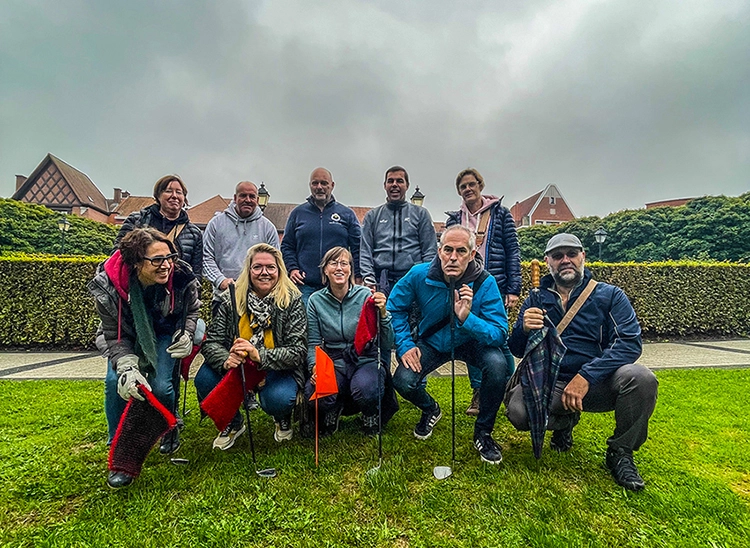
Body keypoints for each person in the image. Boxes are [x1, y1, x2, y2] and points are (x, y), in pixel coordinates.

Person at [506, 233, 658, 491]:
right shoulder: (536, 298)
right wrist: (523, 328)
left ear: (583, 256)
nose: (565, 260)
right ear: (547, 261)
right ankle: (566, 423)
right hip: (550, 384)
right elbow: (518, 349)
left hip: (598, 383)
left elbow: (629, 343)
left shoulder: (610, 295)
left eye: (571, 254)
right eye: (557, 255)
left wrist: (586, 376)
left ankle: (621, 452)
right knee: (519, 413)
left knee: (641, 378)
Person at [88, 227, 201, 488]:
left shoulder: (182, 274)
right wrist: (127, 366)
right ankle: (119, 450)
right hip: (126, 336)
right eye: (157, 260)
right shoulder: (110, 285)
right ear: (137, 262)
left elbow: (192, 309)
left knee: (161, 386)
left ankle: (168, 428)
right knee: (115, 381)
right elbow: (114, 335)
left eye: (169, 257)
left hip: (165, 333)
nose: (167, 265)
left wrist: (186, 333)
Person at [388, 225, 511, 464]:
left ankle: (483, 432)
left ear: (472, 254)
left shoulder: (486, 283)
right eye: (448, 250)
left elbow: (499, 333)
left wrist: (467, 318)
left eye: (461, 251)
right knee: (403, 380)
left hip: (470, 341)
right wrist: (404, 344)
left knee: (497, 366)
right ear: (439, 251)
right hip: (433, 342)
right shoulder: (418, 274)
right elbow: (395, 308)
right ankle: (431, 408)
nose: (453, 257)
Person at [195, 243, 307, 449]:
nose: (264, 272)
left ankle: (281, 416)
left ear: (279, 270)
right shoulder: (231, 300)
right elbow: (211, 342)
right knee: (204, 378)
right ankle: (233, 422)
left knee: (278, 399)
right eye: (257, 267)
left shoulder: (292, 301)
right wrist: (226, 359)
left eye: (270, 267)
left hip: (275, 368)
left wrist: (259, 356)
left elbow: (298, 351)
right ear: (248, 270)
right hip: (238, 367)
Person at [446, 168, 521, 417]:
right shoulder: (454, 219)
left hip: (496, 284)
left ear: (480, 185)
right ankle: (478, 391)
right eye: (463, 186)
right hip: (468, 285)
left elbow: (512, 251)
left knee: (501, 339)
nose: (468, 189)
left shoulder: (500, 214)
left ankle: (510, 388)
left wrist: (513, 287)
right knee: (471, 336)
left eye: (471, 184)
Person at [305, 247, 396, 436]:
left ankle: (370, 412)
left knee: (366, 390)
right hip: (334, 361)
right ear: (325, 271)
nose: (339, 268)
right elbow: (313, 342)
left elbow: (387, 343)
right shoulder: (315, 300)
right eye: (333, 263)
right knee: (317, 396)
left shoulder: (366, 296)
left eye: (344, 263)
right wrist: (315, 368)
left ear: (350, 270)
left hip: (364, 359)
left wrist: (384, 314)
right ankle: (332, 409)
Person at [281, 167, 362, 305]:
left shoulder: (347, 214)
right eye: (315, 183)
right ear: (310, 185)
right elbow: (287, 245)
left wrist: (358, 275)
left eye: (324, 183)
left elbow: (357, 248)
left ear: (332, 185)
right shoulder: (297, 213)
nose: (319, 187)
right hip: (305, 287)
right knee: (307, 326)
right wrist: (292, 268)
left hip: (337, 286)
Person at [203, 181, 280, 317]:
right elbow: (206, 257)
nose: (247, 200)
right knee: (221, 338)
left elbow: (276, 263)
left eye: (252, 196)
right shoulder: (216, 224)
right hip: (223, 298)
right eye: (243, 196)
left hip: (258, 300)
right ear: (235, 198)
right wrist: (220, 281)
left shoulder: (268, 228)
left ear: (257, 199)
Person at [360, 166, 437, 295]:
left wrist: (423, 278)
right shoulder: (372, 216)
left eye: (399, 181)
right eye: (390, 181)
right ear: (385, 185)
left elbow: (430, 250)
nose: (394, 185)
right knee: (383, 315)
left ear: (407, 185)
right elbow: (365, 251)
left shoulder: (421, 214)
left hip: (412, 280)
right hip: (381, 282)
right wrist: (369, 279)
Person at [115, 174, 203, 279]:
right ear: (158, 196)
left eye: (179, 192)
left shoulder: (194, 233)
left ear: (184, 198)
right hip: (140, 288)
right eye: (168, 191)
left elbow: (196, 274)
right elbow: (118, 256)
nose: (174, 196)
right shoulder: (136, 221)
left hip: (175, 293)